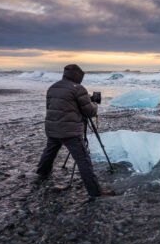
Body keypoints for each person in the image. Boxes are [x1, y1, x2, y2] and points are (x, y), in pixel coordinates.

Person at [36, 64, 114, 200]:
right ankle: (95, 192)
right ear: (78, 76)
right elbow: (89, 111)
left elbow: (54, 108)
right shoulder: (78, 89)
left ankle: (42, 173)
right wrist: (94, 104)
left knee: (50, 151)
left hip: (52, 128)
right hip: (70, 132)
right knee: (83, 160)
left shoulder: (53, 87)